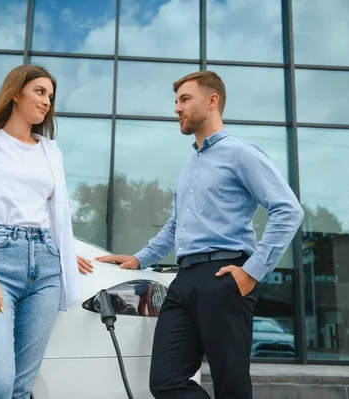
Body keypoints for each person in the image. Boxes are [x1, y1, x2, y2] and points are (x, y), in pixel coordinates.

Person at [96, 70, 304, 399]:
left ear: (212, 101)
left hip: (226, 275)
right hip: (185, 279)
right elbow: (177, 224)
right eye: (176, 101)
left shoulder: (241, 154)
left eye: (184, 100)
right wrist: (140, 258)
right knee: (165, 381)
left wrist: (252, 272)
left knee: (230, 386)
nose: (177, 108)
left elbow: (288, 210)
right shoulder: (190, 163)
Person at [0, 64, 93, 398]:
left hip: (46, 271)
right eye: (39, 92)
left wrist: (66, 250)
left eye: (50, 97)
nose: (46, 102)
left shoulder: (51, 151)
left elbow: (54, 213)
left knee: (21, 388)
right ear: (15, 93)